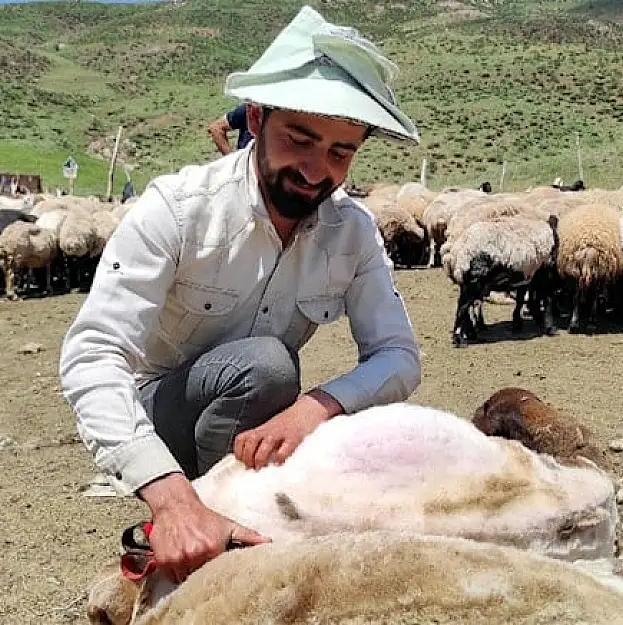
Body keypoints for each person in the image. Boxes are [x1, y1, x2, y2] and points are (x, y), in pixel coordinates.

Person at [58, 5, 422, 584]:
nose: (315, 169)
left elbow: (399, 355)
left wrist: (317, 407)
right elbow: (93, 354)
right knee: (266, 366)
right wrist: (170, 495)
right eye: (299, 139)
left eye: (340, 152)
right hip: (162, 417)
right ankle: (203, 514)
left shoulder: (351, 230)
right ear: (255, 119)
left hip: (259, 421)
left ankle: (236, 514)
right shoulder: (178, 209)